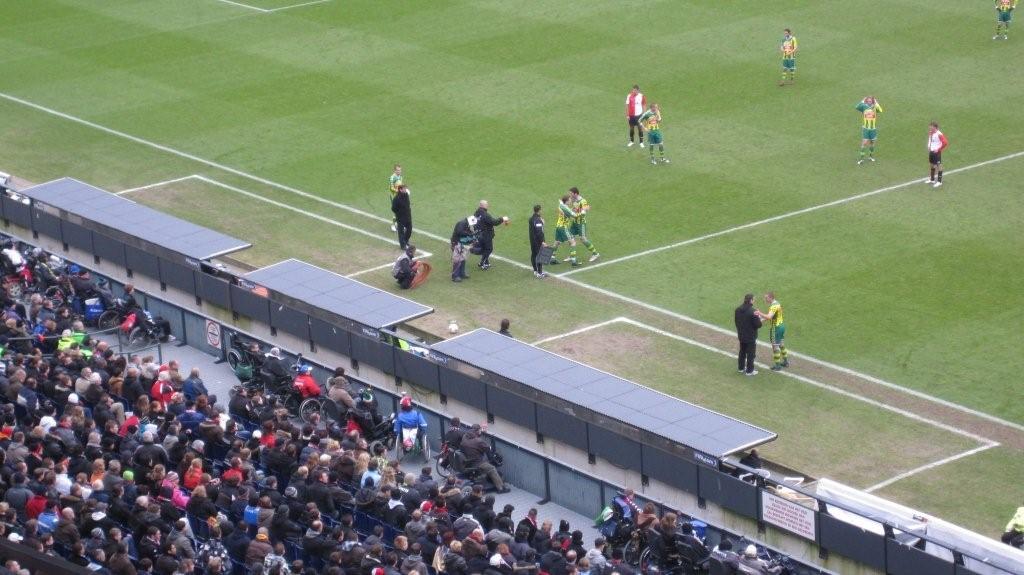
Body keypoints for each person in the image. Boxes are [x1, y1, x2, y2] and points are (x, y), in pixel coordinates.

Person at [459, 428, 509, 493]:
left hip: (467, 461)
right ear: (476, 433)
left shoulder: (464, 440)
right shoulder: (478, 441)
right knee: (492, 468)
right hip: (476, 463)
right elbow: (487, 449)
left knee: (486, 464)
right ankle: (501, 488)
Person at [756, 292, 788, 371]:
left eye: (766, 298)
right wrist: (761, 320)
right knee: (781, 344)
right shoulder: (777, 303)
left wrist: (759, 313)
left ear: (771, 298)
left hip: (776, 328)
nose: (765, 300)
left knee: (775, 347)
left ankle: (778, 365)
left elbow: (769, 317)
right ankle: (785, 362)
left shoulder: (773, 306)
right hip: (781, 326)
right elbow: (771, 317)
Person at [473, 200, 509, 270]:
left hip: (478, 234)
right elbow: (494, 222)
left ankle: (486, 262)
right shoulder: (485, 215)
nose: (488, 206)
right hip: (485, 235)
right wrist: (502, 218)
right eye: (486, 205)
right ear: (482, 205)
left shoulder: (476, 213)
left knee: (484, 248)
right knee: (489, 249)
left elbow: (474, 223)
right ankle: (482, 263)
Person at [569, 187, 600, 263]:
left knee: (583, 239)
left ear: (576, 193)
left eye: (571, 193)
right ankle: (572, 255)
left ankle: (595, 254)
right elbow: (574, 209)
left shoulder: (583, 201)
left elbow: (583, 214)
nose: (570, 195)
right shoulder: (574, 200)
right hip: (574, 222)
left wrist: (575, 214)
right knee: (570, 237)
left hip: (581, 223)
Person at [734, 294, 762, 376]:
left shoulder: (737, 309)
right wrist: (759, 318)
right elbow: (758, 325)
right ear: (751, 300)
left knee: (742, 351)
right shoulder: (753, 311)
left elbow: (736, 322)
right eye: (753, 299)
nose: (754, 301)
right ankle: (749, 371)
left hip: (741, 335)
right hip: (750, 336)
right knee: (751, 354)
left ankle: (741, 368)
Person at [550, 195, 579, 267]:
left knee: (557, 243)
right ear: (566, 201)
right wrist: (582, 211)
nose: (570, 201)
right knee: (573, 243)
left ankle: (552, 259)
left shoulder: (561, 206)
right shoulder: (565, 207)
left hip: (558, 227)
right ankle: (574, 261)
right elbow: (574, 215)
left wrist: (573, 208)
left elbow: (567, 211)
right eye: (569, 200)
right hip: (563, 228)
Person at [855, 96, 883, 164]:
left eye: (870, 101)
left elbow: (881, 110)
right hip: (866, 128)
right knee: (864, 142)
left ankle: (870, 157)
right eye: (868, 101)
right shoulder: (864, 107)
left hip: (873, 129)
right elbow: (857, 107)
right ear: (866, 101)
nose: (869, 102)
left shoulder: (875, 107)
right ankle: (861, 159)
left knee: (872, 143)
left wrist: (876, 103)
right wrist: (862, 100)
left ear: (872, 101)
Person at [450, 215, 477, 283]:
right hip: (457, 243)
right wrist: (469, 234)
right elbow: (459, 232)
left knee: (463, 258)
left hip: (461, 244)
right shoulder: (462, 223)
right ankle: (455, 276)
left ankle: (462, 273)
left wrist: (472, 234)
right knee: (457, 259)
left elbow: (467, 231)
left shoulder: (466, 223)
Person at [926, 122, 949, 188]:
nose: (930, 128)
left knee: (939, 165)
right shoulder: (931, 132)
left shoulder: (939, 134)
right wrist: (929, 146)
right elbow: (930, 140)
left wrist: (939, 149)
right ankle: (932, 179)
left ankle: (939, 181)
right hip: (931, 151)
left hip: (937, 152)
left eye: (931, 127)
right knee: (932, 164)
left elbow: (945, 143)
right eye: (930, 127)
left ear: (935, 127)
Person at [528, 204, 548, 278]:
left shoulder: (531, 218)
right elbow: (539, 231)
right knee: (540, 256)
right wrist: (542, 241)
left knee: (533, 254)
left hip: (532, 240)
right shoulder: (538, 220)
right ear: (539, 210)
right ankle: (540, 273)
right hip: (538, 241)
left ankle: (535, 270)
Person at [392, 184, 413, 250]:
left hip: (408, 216)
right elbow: (393, 208)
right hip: (400, 217)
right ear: (400, 190)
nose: (405, 189)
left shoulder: (406, 195)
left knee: (409, 230)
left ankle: (406, 241)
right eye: (404, 188)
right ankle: (402, 245)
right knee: (401, 232)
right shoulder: (396, 198)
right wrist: (399, 213)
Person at [388, 164, 404, 232]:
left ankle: (398, 224)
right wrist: (397, 190)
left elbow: (400, 186)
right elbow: (391, 188)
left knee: (401, 210)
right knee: (397, 212)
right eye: (397, 170)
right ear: (394, 170)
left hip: (399, 195)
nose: (399, 171)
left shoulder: (400, 177)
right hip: (393, 196)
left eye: (400, 170)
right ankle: (393, 225)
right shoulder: (392, 177)